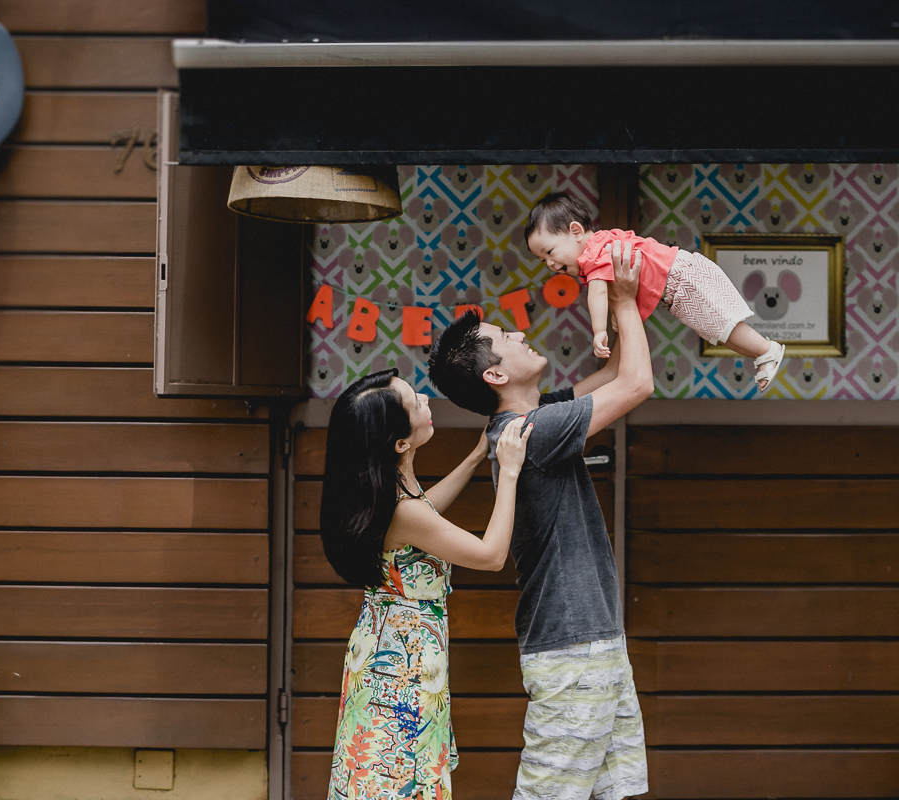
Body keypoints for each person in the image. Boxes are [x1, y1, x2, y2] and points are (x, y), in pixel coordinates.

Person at [427, 241, 653, 800]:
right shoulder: (529, 432)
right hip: (574, 649)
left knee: (611, 791)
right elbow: (638, 385)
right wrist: (623, 303)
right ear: (497, 376)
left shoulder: (536, 417)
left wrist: (628, 303)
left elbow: (618, 371)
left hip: (593, 642)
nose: (521, 335)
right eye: (507, 339)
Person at [321, 369, 532, 800]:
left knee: (377, 774)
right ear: (400, 443)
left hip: (384, 645)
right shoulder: (403, 511)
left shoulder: (386, 488)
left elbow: (426, 513)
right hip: (404, 657)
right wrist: (507, 473)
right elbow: (491, 555)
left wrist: (476, 456)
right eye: (415, 402)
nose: (424, 398)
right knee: (397, 777)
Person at [524, 191, 785, 392]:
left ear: (576, 231)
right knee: (718, 330)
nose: (549, 264)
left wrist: (599, 330)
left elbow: (599, 294)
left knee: (723, 327)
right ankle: (762, 353)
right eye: (541, 259)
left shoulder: (595, 254)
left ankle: (765, 350)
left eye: (550, 251)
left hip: (682, 279)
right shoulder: (603, 244)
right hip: (681, 279)